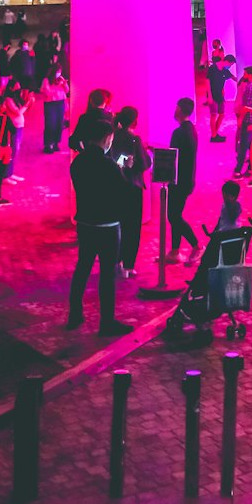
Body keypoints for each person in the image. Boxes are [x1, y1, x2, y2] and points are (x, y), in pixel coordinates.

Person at [67, 113, 132, 334]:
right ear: (106, 139)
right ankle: (107, 322)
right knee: (107, 274)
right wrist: (122, 169)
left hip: (85, 223)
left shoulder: (77, 163)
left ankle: (75, 314)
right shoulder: (111, 167)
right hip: (108, 226)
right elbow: (123, 194)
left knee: (82, 268)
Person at [112, 104, 151, 276]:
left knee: (117, 226)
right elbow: (144, 164)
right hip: (132, 188)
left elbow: (114, 160)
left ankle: (115, 262)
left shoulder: (114, 136)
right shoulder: (135, 140)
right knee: (133, 228)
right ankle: (128, 265)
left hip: (117, 187)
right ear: (134, 121)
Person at [168, 97, 200, 263]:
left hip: (178, 180)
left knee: (173, 216)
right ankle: (174, 251)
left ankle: (196, 245)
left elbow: (172, 157)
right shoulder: (191, 130)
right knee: (176, 214)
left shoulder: (179, 133)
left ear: (180, 109)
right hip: (187, 180)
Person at [232, 66, 252, 177]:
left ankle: (238, 170)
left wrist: (241, 119)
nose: (244, 76)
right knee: (250, 147)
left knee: (243, 146)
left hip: (248, 121)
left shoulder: (251, 87)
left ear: (250, 75)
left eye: (246, 74)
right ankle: (249, 169)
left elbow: (248, 107)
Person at [2, 81, 30, 180]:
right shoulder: (8, 100)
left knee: (15, 151)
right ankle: (5, 176)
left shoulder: (16, 98)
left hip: (19, 126)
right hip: (13, 127)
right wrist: (27, 105)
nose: (19, 89)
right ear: (11, 88)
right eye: (16, 87)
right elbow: (17, 112)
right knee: (11, 151)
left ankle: (10, 173)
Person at [40, 63, 70, 152]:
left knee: (59, 124)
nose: (59, 73)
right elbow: (47, 93)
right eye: (58, 71)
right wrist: (56, 86)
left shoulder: (61, 78)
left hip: (60, 103)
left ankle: (56, 143)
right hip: (50, 104)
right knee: (50, 124)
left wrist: (63, 84)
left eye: (60, 71)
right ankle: (48, 144)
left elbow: (67, 90)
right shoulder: (46, 80)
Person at [205, 52, 235, 142]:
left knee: (221, 114)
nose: (230, 66)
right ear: (226, 61)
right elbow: (207, 82)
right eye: (230, 64)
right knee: (213, 115)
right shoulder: (213, 68)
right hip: (213, 94)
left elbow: (233, 78)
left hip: (220, 95)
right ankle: (214, 136)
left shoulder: (225, 70)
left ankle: (215, 133)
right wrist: (209, 96)